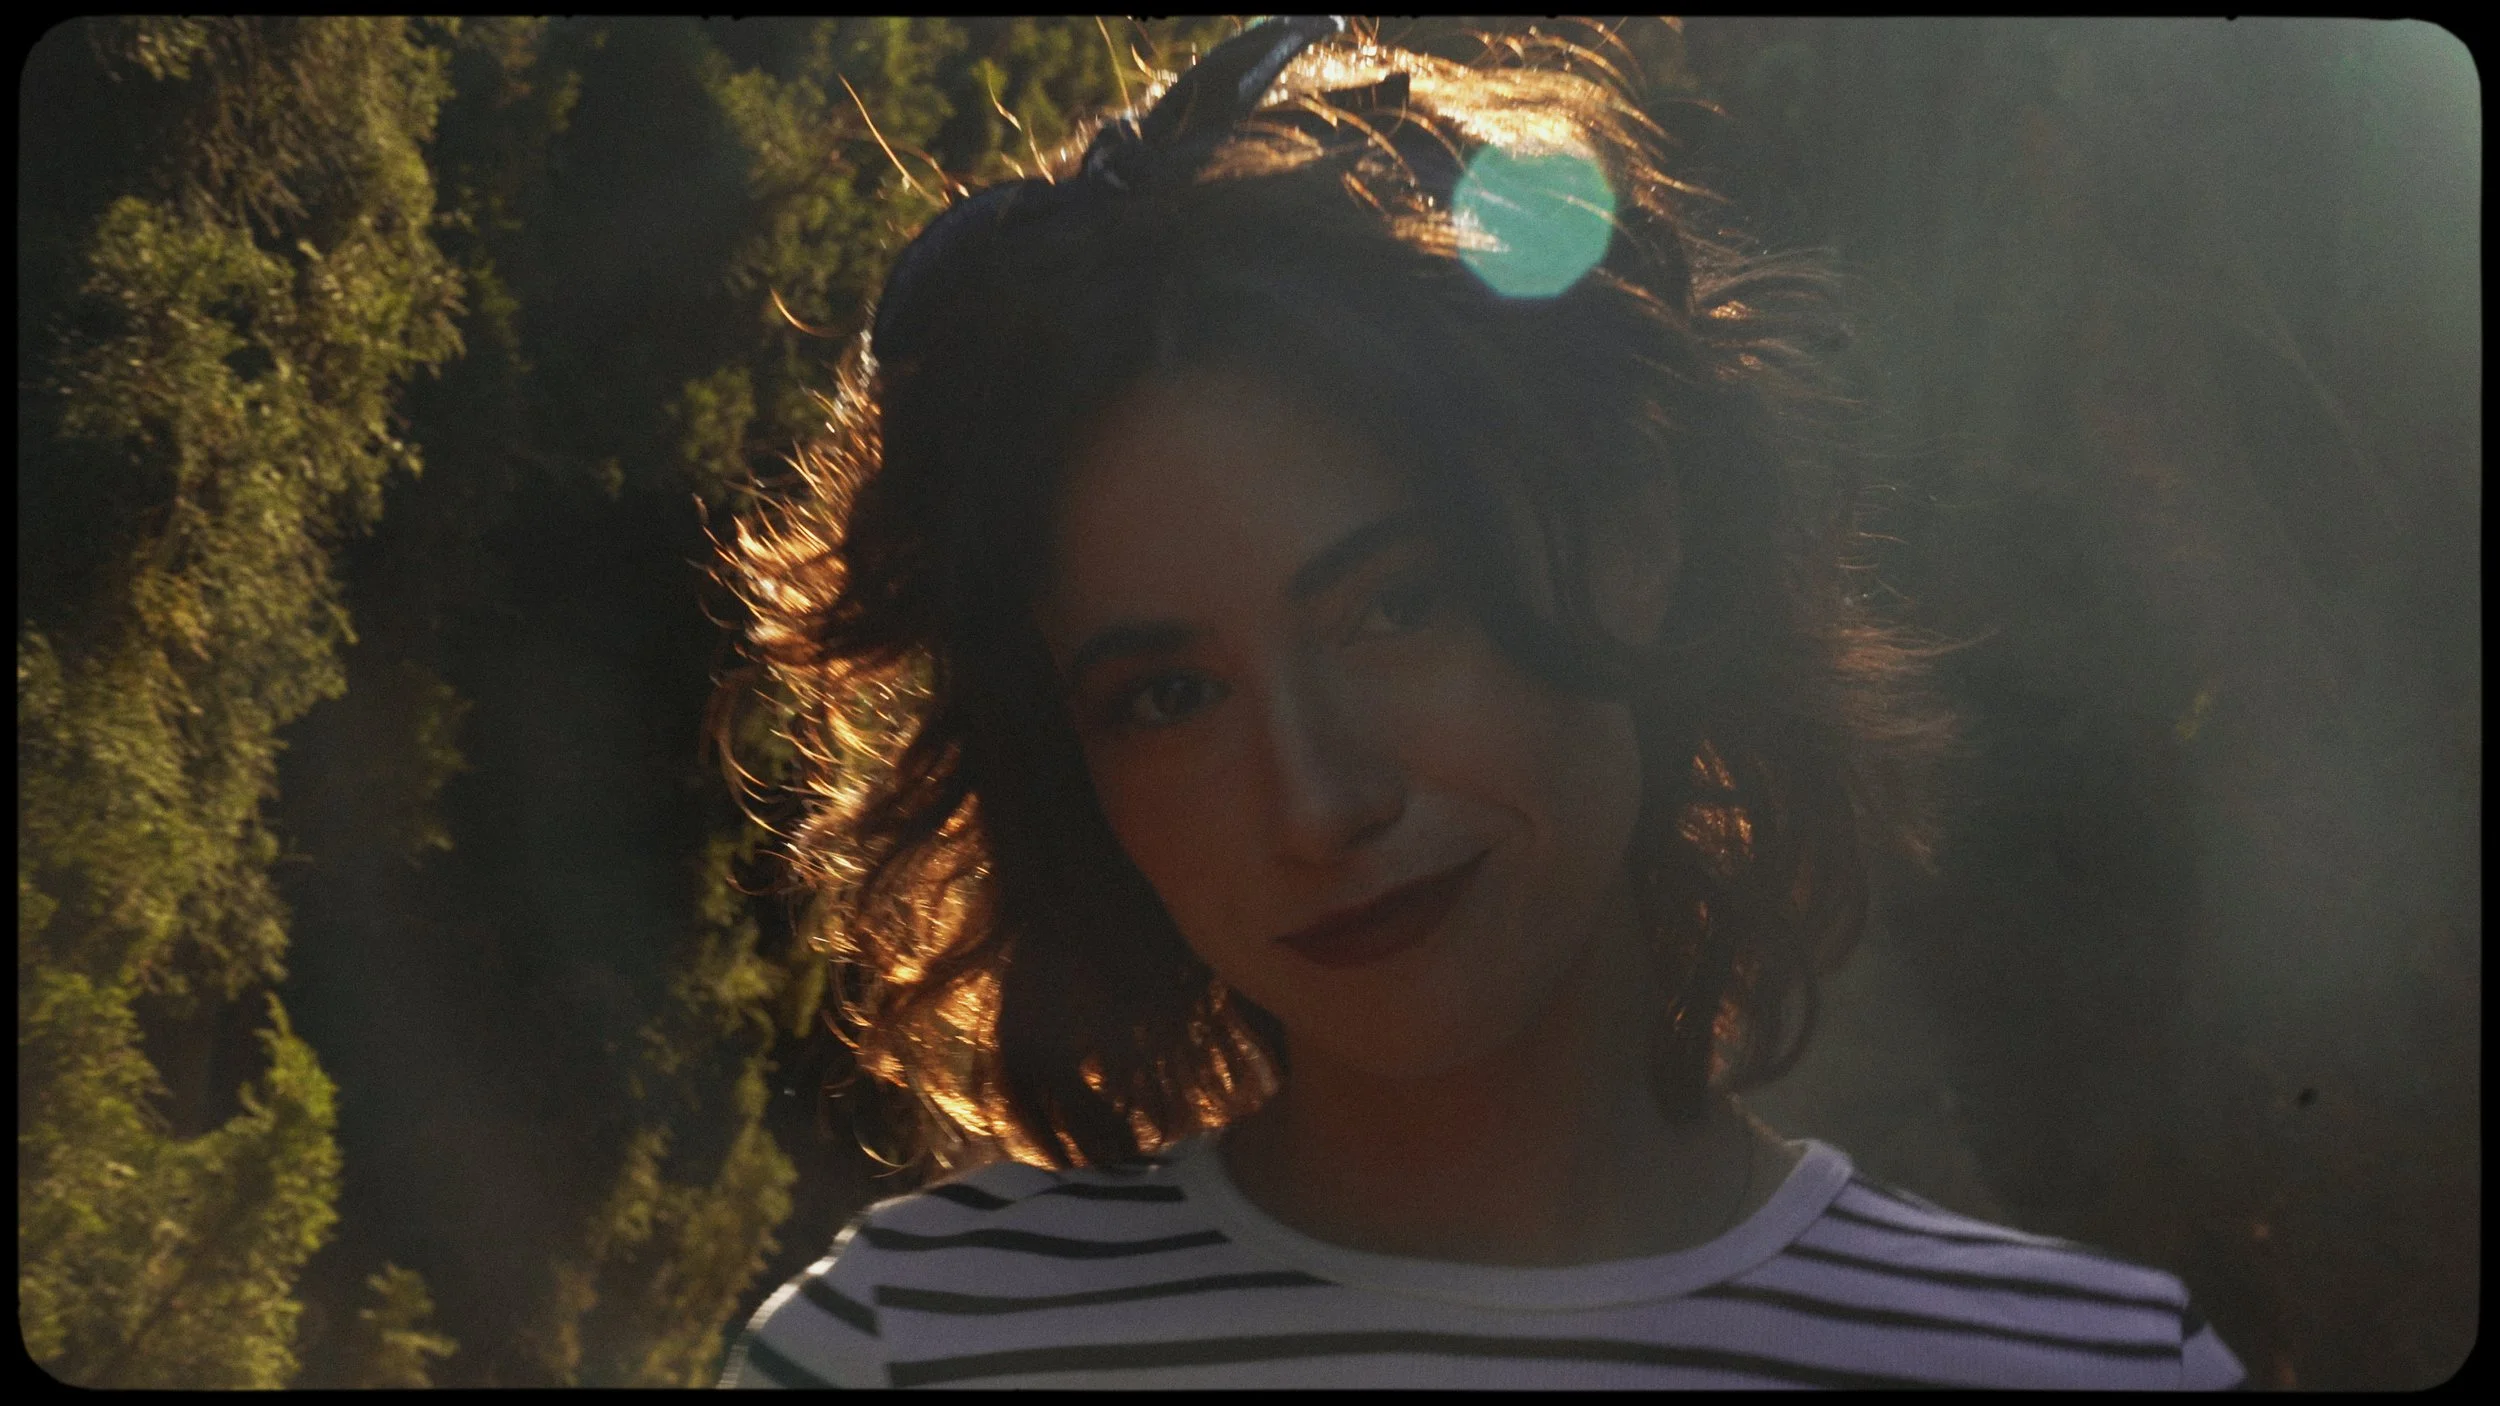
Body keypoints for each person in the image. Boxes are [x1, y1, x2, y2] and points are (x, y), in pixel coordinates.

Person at [712, 16, 2246, 1390]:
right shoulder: (903, 1350)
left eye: (1396, 606)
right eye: (1169, 693)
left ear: (1635, 529)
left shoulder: (2097, 1368)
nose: (1318, 801)